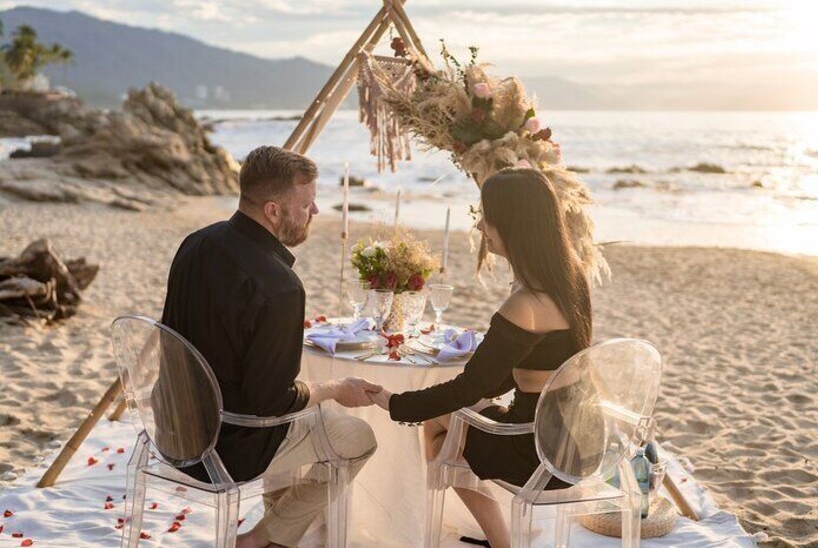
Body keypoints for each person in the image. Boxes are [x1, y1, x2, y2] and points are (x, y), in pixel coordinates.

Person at [160, 146, 380, 548]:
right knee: (358, 438)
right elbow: (272, 403)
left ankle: (280, 531)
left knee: (303, 415)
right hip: (224, 449)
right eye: (307, 204)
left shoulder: (194, 244)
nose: (314, 212)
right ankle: (261, 539)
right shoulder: (279, 287)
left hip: (172, 426)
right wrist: (335, 389)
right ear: (274, 211)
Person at [368, 168, 593, 548]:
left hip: (539, 452)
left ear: (512, 224)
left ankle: (501, 542)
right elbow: (516, 372)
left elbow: (472, 386)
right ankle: (500, 541)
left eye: (486, 217)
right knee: (445, 419)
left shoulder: (528, 302)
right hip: (581, 440)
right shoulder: (571, 278)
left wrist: (396, 403)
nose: (481, 228)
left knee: (439, 435)